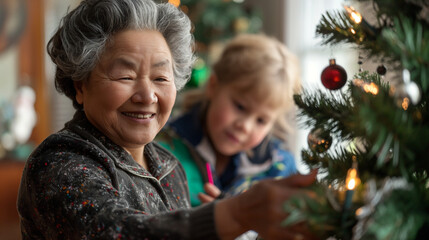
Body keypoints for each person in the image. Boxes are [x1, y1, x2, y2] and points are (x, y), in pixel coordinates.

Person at [17, 0, 318, 239]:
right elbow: (114, 231)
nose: (147, 95)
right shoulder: (59, 163)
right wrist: (236, 214)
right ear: (80, 85)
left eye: (161, 77)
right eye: (126, 75)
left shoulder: (169, 167)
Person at [157, 33, 302, 207]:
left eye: (261, 121)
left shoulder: (278, 170)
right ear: (213, 86)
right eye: (240, 107)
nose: (245, 126)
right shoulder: (164, 148)